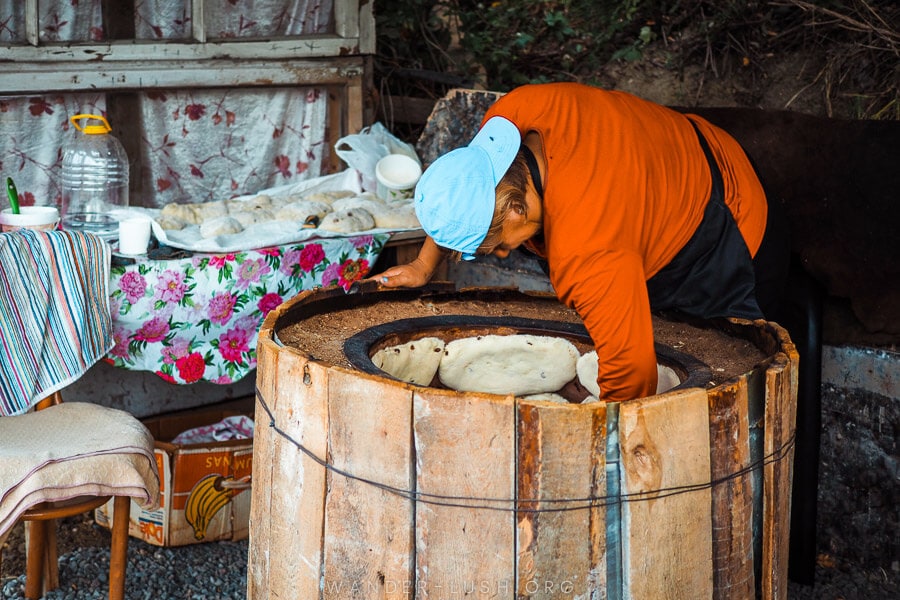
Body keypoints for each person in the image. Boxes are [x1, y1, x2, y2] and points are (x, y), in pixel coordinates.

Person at [379, 81, 790, 403]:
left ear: (517, 211)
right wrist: (423, 265)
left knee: (720, 371)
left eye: (498, 245)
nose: (504, 253)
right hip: (680, 149)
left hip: (726, 221)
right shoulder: (511, 118)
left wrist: (591, 434)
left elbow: (632, 377)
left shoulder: (587, 251)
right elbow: (463, 188)